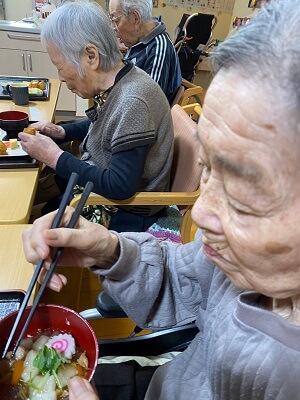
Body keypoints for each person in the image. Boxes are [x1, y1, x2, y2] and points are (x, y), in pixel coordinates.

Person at [23, 0, 300, 398]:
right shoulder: (243, 255)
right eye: (207, 171)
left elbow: (119, 184)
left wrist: (56, 158)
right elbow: (182, 276)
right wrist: (110, 250)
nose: (199, 211)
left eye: (244, 193)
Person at [19, 1, 174, 232]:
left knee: (35, 224)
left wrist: (54, 156)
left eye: (60, 67)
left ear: (91, 56)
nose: (60, 77)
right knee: (43, 203)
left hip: (125, 211)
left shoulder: (133, 100)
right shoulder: (122, 77)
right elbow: (107, 121)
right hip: (105, 192)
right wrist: (63, 131)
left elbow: (120, 186)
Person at [108, 0, 182, 105]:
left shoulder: (158, 49)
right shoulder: (137, 44)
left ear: (135, 18)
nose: (113, 27)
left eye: (115, 19)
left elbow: (147, 106)